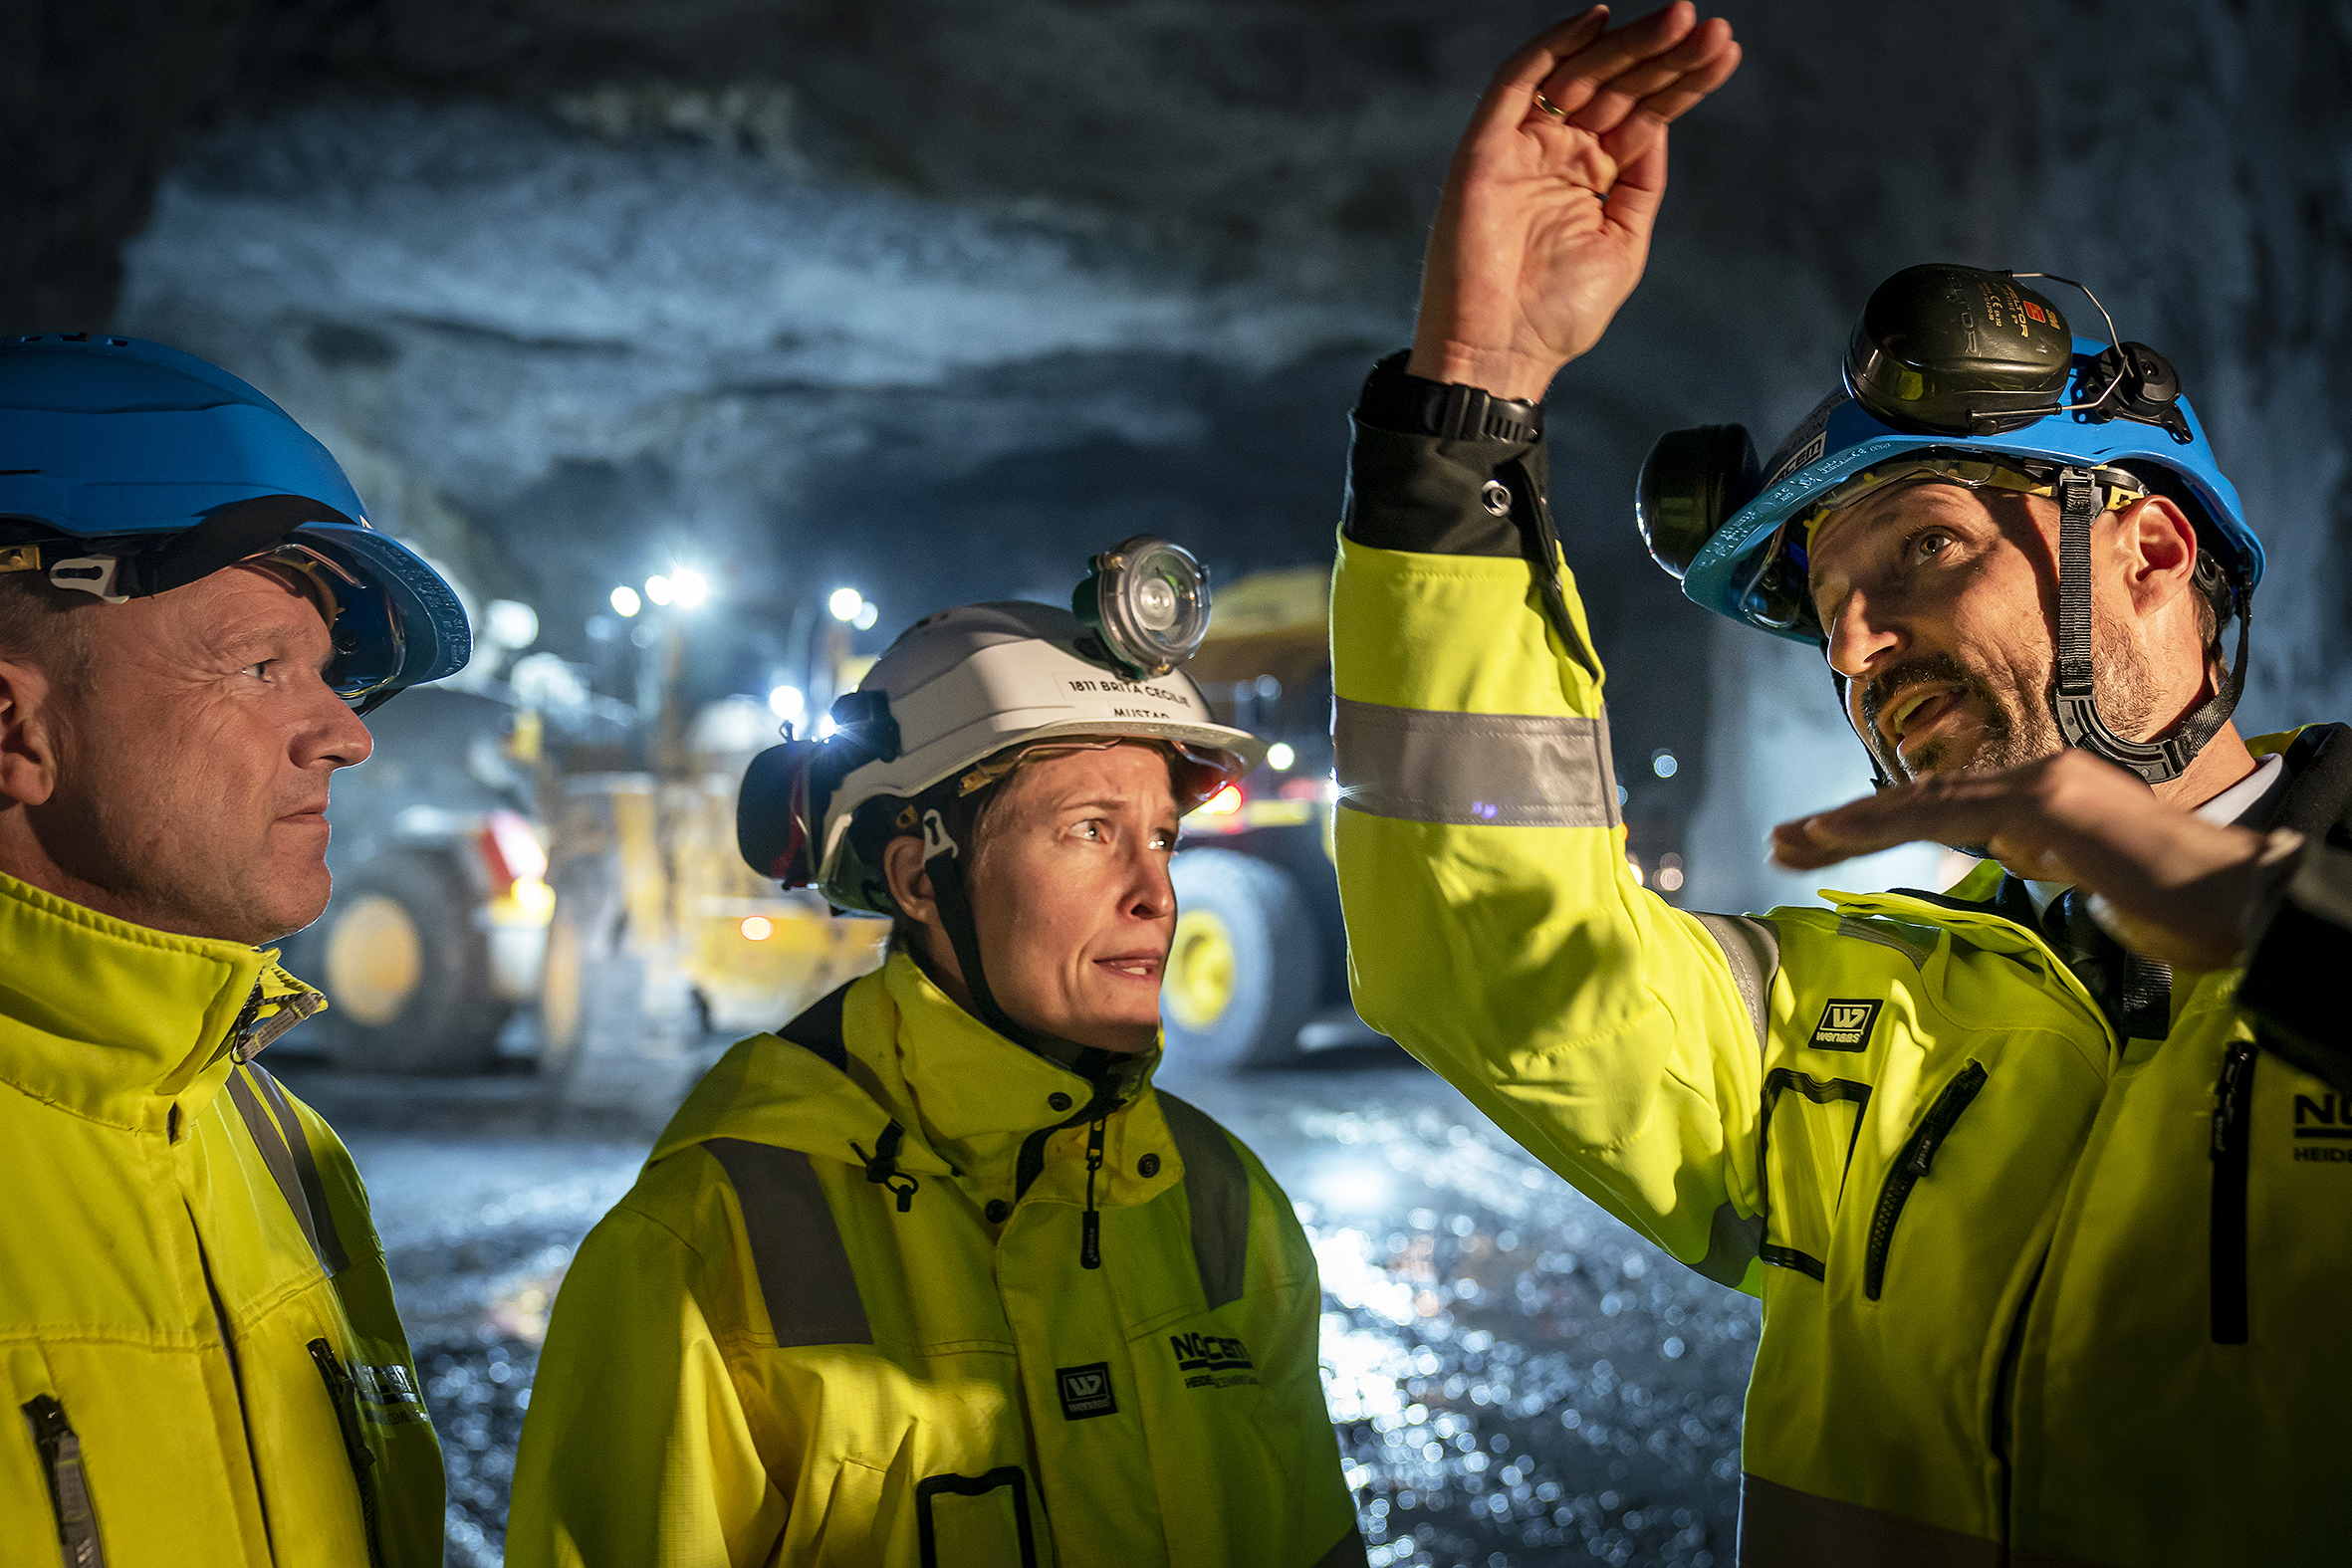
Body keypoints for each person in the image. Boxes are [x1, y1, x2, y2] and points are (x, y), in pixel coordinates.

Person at [1326, 6, 2351, 1565]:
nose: (1858, 640)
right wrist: (1471, 388)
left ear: (2147, 552)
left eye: (1922, 548)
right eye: (1828, 605)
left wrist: (2258, 918)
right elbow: (1478, 943)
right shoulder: (1842, 1018)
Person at [508, 579, 1363, 1567]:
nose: (1157, 895)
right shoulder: (706, 1246)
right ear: (920, 877)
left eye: (1162, 836)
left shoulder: (1224, 1200)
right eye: (1089, 830)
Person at [0, 334, 471, 1564]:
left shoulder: (281, 1149)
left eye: (329, 677)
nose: (345, 739)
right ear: (11, 727)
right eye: (257, 666)